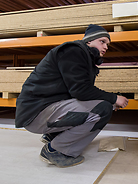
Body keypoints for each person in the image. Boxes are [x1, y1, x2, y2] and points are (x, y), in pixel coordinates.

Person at [15, 24, 129, 168]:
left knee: (103, 105)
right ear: (89, 41)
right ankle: (55, 150)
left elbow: (82, 93)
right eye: (102, 42)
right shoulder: (73, 51)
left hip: (43, 110)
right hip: (36, 113)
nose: (106, 47)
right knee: (103, 109)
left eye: (108, 44)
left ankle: (53, 135)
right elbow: (81, 91)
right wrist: (113, 99)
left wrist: (110, 100)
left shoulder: (84, 59)